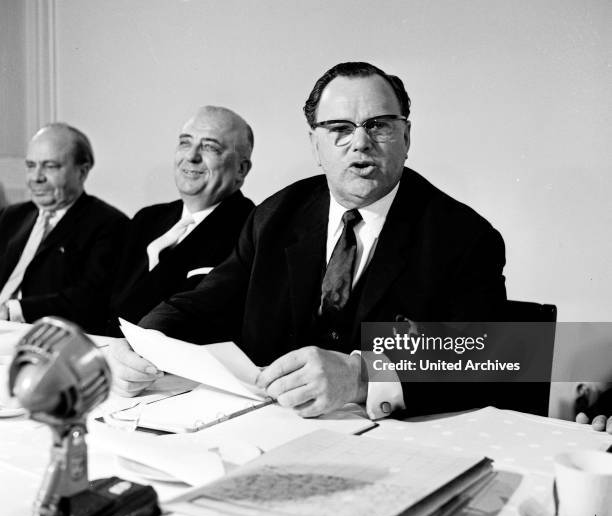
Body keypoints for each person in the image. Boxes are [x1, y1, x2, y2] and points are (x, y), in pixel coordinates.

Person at [109, 61, 514, 417]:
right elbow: (203, 302)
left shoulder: (464, 237)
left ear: (406, 138)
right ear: (315, 145)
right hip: (270, 426)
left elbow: (484, 357)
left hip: (394, 439)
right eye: (339, 129)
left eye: (379, 126)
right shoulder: (274, 216)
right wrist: (146, 341)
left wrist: (361, 377)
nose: (360, 142)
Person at [107, 106, 255, 333]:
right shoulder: (147, 219)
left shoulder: (251, 231)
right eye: (185, 142)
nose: (191, 156)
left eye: (209, 147)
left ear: (241, 170)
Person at [0, 123, 127, 334]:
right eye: (31, 165)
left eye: (50, 166)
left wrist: (13, 310)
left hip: (42, 337)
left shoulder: (110, 225)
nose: (36, 177)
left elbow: (90, 299)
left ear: (82, 171)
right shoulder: (11, 217)